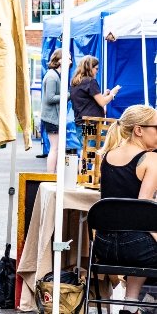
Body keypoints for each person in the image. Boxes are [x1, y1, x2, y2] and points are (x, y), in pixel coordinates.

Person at [95, 104, 157, 305]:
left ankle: (131, 305)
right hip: (135, 248)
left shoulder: (107, 156)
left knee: (138, 240)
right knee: (144, 241)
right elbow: (144, 212)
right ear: (139, 130)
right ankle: (138, 303)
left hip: (103, 247)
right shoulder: (151, 159)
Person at [70, 55, 119, 147]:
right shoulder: (90, 81)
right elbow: (102, 102)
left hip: (81, 123)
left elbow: (88, 102)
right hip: (91, 123)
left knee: (87, 151)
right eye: (96, 68)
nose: (97, 71)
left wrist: (103, 95)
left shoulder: (75, 82)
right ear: (89, 68)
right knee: (93, 152)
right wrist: (112, 94)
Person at [41, 50, 71, 173]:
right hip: (52, 118)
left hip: (54, 117)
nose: (70, 61)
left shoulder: (55, 75)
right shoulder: (52, 77)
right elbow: (50, 98)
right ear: (59, 60)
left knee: (57, 148)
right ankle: (51, 176)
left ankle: (55, 175)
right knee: (55, 148)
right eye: (68, 58)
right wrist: (68, 95)